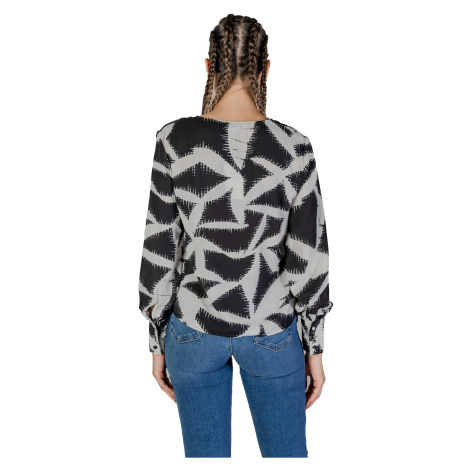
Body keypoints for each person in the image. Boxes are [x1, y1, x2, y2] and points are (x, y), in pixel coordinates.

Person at [137, 14, 333, 458]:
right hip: (271, 330)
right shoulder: (294, 147)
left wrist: (156, 340)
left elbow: (159, 248)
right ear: (266, 68)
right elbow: (310, 259)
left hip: (192, 330)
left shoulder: (173, 141)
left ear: (209, 66)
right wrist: (315, 349)